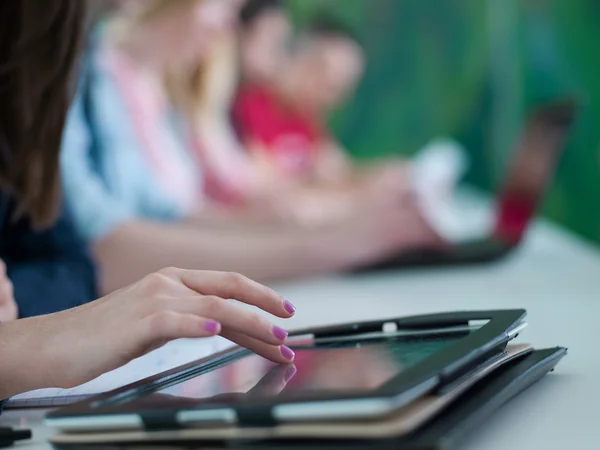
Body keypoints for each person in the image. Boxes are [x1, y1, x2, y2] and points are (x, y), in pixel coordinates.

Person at [0, 0, 300, 400]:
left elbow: (74, 263)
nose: (229, 22)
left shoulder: (46, 56)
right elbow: (104, 245)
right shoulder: (86, 65)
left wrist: (20, 314)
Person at [61, 0, 440, 295]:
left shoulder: (154, 91)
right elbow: (106, 243)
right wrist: (329, 240)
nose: (229, 27)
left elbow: (180, 213)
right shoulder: (92, 71)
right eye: (225, 7)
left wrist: (327, 227)